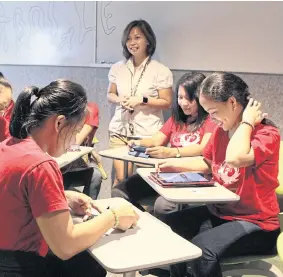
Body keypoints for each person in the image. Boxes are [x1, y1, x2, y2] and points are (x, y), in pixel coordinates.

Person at [0, 79, 139, 277]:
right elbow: (65, 246)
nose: (73, 141)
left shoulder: (8, 146)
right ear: (59, 123)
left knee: (86, 263)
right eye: (74, 131)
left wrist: (62, 197)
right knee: (87, 263)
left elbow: (16, 195)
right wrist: (114, 217)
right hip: (10, 268)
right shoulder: (41, 165)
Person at [156, 72, 280, 277]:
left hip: (257, 224)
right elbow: (207, 162)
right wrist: (173, 165)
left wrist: (247, 122)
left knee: (203, 249)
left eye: (213, 111)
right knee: (172, 225)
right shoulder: (221, 130)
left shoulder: (266, 134)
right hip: (221, 213)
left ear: (232, 102)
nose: (211, 118)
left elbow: (235, 158)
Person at [112, 72, 216, 215]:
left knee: (163, 205)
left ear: (201, 98)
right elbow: (156, 140)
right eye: (180, 97)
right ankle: (143, 221)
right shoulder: (176, 119)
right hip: (167, 174)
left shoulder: (211, 120)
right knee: (119, 191)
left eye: (190, 99)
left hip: (192, 176)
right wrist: (137, 142)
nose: (183, 103)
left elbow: (203, 148)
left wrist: (172, 152)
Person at [107, 19, 173, 185]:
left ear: (148, 41)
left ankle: (141, 211)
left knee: (146, 182)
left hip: (147, 133)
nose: (132, 43)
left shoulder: (160, 70)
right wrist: (120, 100)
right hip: (119, 130)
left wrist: (141, 100)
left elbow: (167, 102)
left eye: (137, 38)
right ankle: (119, 209)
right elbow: (110, 94)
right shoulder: (117, 67)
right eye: (128, 39)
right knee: (121, 179)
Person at [61, 102, 103, 200]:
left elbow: (75, 144)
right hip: (55, 167)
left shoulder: (90, 109)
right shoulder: (53, 113)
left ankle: (89, 209)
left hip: (75, 164)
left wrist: (91, 151)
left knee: (96, 175)